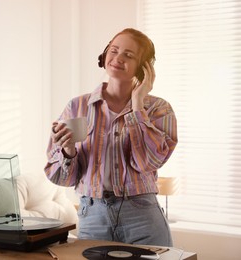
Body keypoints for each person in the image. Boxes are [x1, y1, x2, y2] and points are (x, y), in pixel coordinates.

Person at [44, 28, 177, 247]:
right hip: (93, 215)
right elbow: (62, 179)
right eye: (114, 50)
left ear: (144, 67)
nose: (118, 58)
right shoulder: (77, 106)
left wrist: (137, 107)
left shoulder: (158, 108)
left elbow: (148, 162)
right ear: (105, 54)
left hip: (142, 215)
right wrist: (68, 151)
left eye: (129, 55)